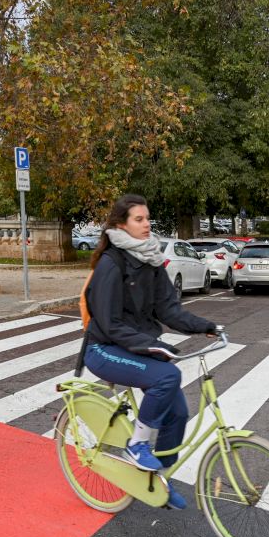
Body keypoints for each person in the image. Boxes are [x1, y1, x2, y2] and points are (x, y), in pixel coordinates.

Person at [82, 194, 219, 509]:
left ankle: (159, 482)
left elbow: (169, 310)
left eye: (148, 218)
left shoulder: (151, 261)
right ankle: (137, 445)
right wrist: (153, 346)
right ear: (121, 225)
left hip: (135, 347)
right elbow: (110, 324)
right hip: (104, 349)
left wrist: (206, 326)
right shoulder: (111, 263)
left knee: (178, 414)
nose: (147, 225)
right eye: (139, 219)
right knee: (167, 376)